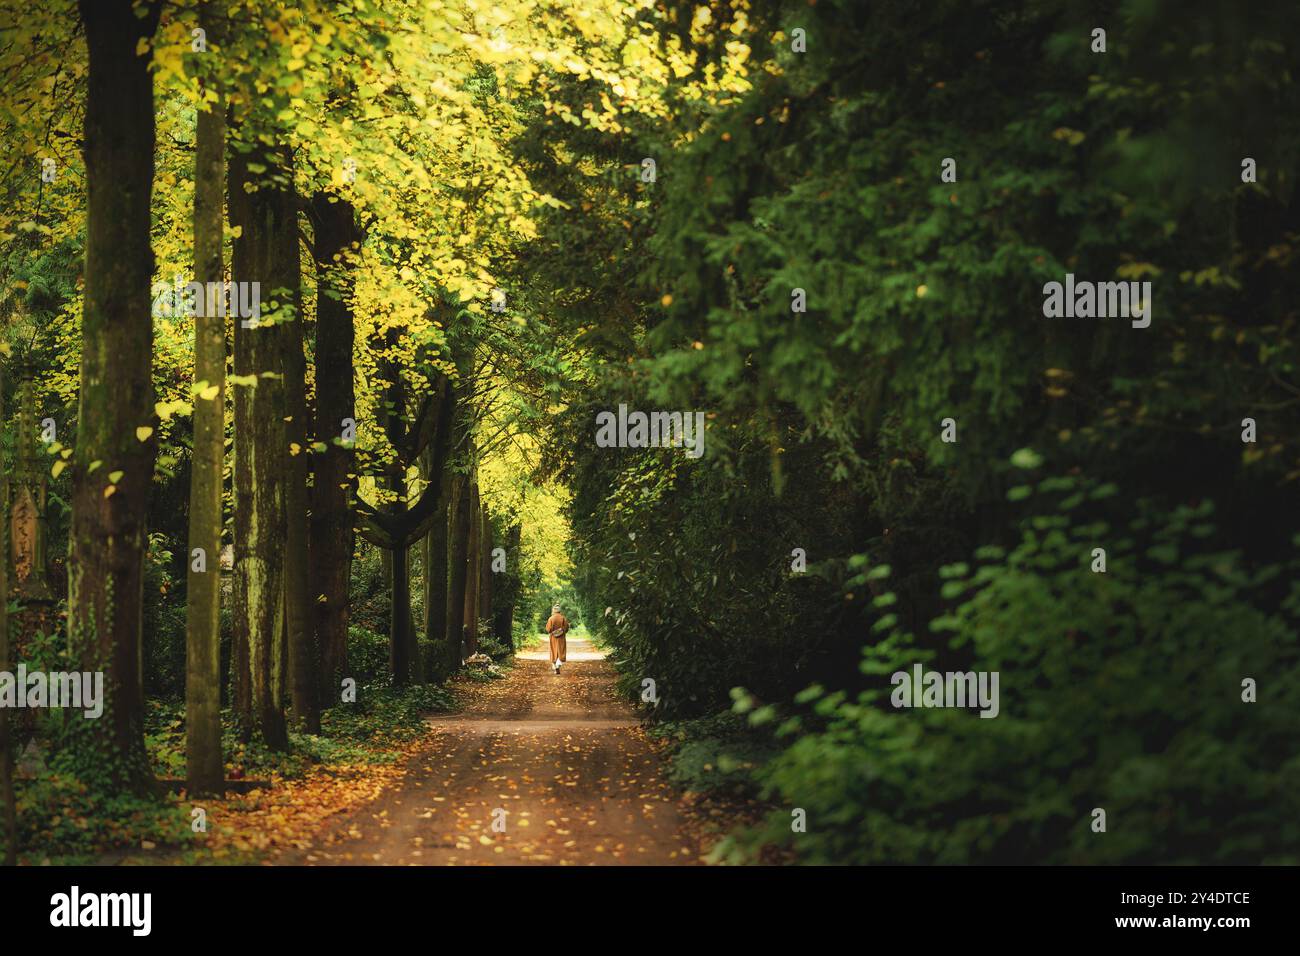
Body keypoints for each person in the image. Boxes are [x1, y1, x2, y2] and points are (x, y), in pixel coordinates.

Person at [545, 604, 569, 674]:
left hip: (553, 638)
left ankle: (555, 665)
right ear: (559, 611)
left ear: (554, 610)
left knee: (553, 650)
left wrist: (552, 631)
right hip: (561, 637)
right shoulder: (563, 618)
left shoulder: (551, 618)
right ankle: (558, 663)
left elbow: (548, 629)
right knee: (561, 650)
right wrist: (562, 631)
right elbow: (566, 628)